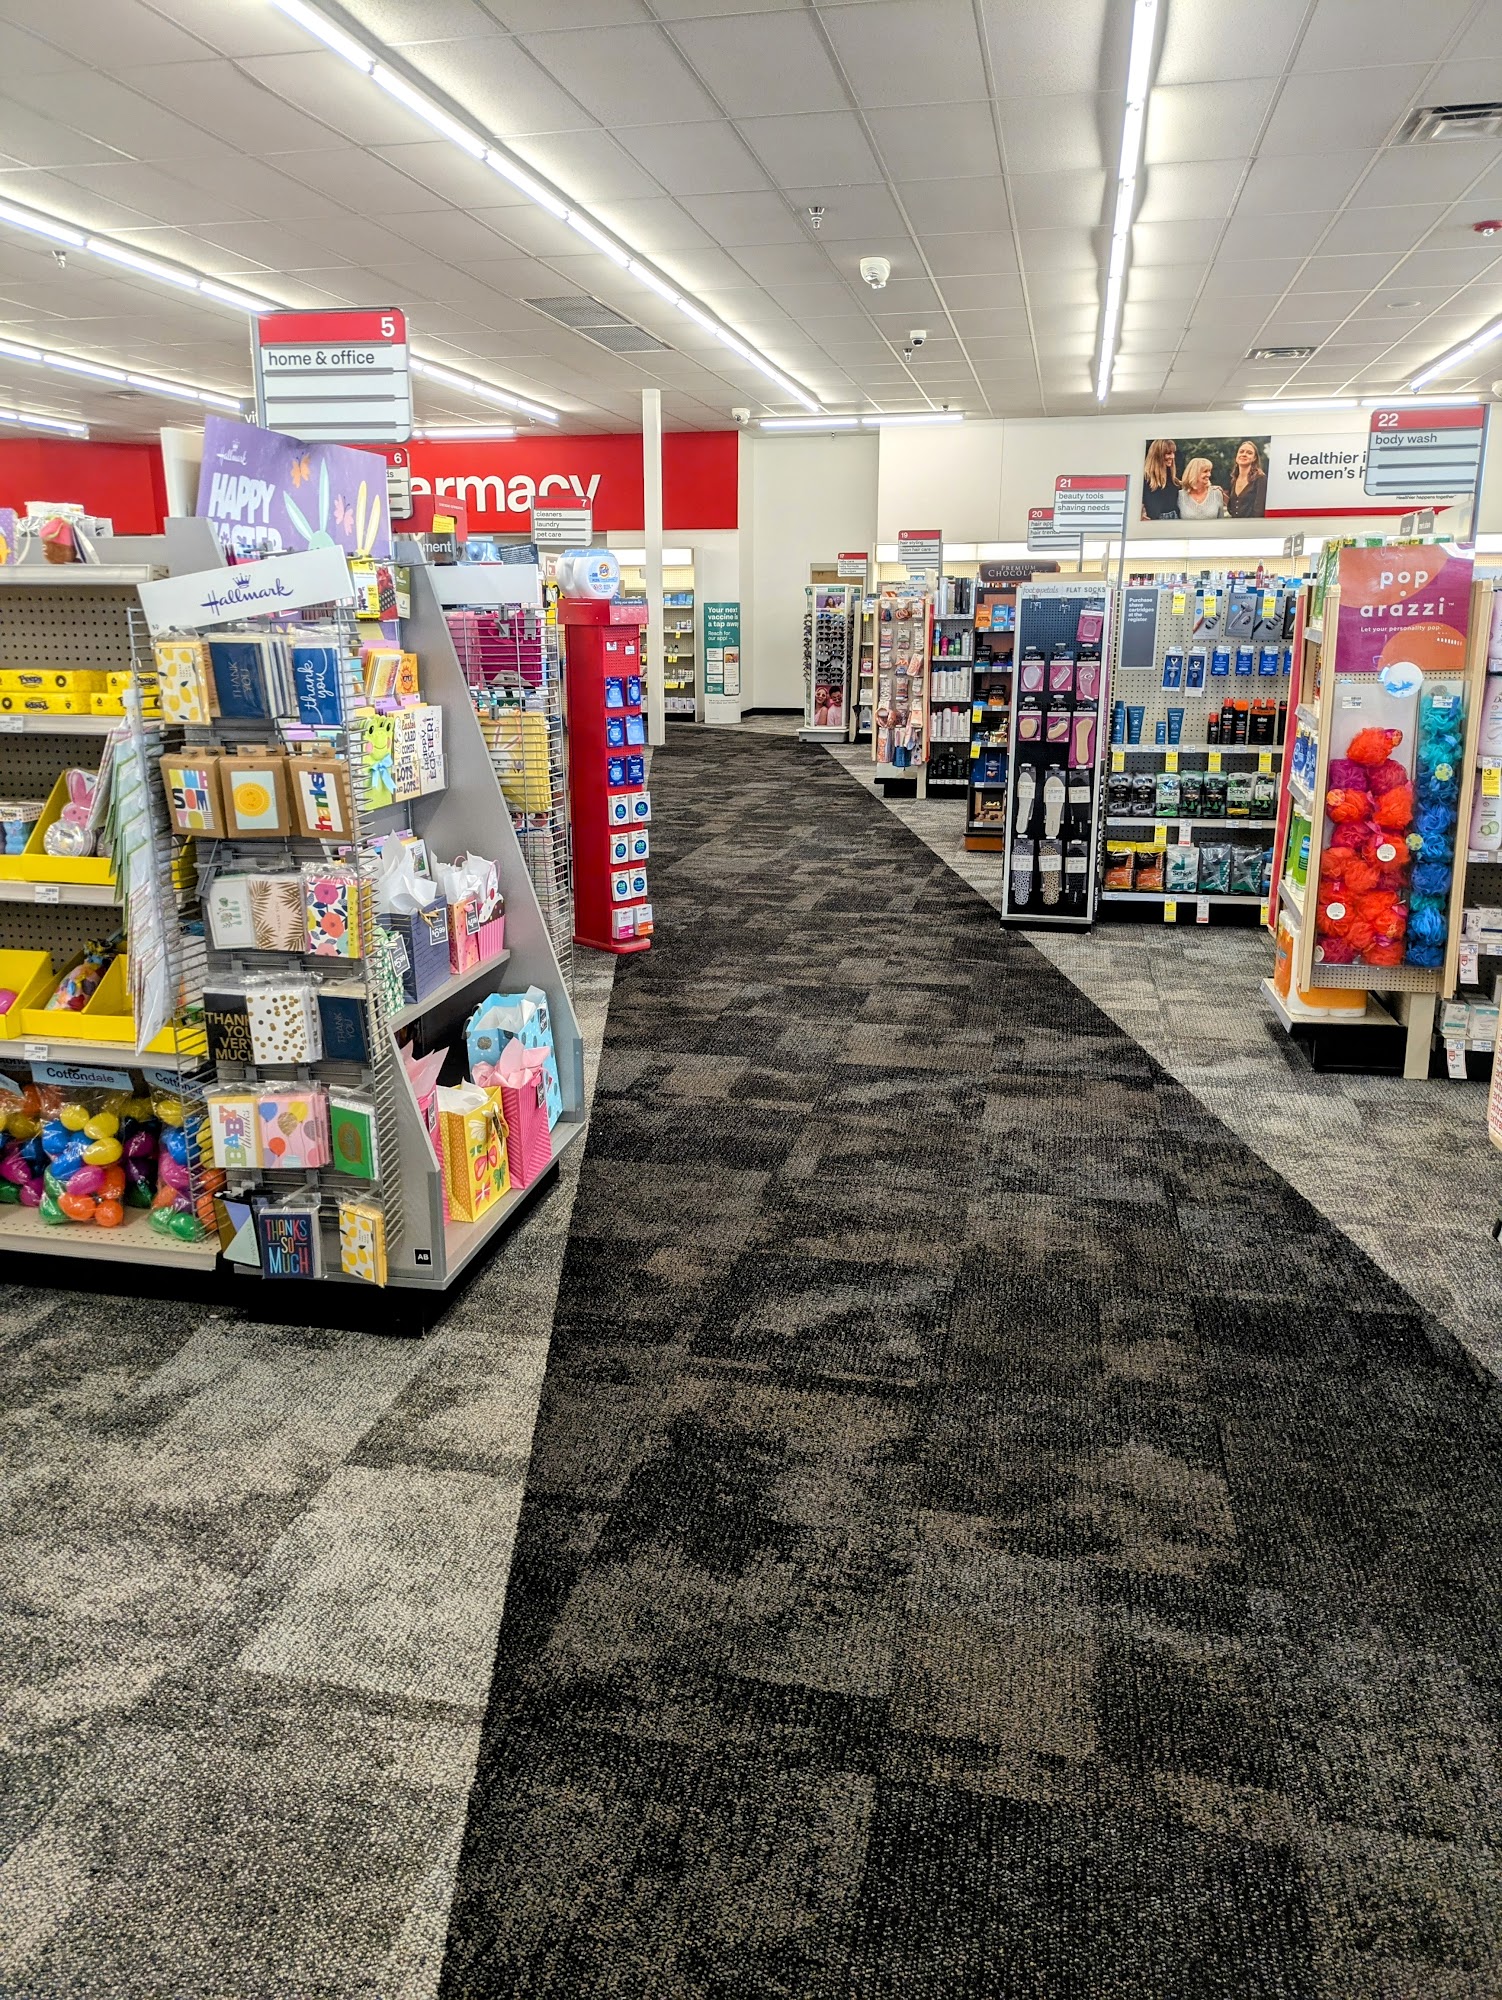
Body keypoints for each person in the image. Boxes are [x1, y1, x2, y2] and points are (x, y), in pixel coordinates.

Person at [1226, 439, 1268, 518]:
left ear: (1254, 458)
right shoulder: (1233, 480)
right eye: (1241, 451)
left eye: (1249, 453)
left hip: (1252, 525)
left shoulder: (1260, 478)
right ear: (1237, 456)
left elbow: (1259, 511)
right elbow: (1230, 508)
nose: (1244, 454)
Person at [1141, 438, 1179, 519]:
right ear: (1158, 455)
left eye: (1173, 453)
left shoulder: (1173, 480)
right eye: (1168, 453)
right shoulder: (1144, 479)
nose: (1172, 457)